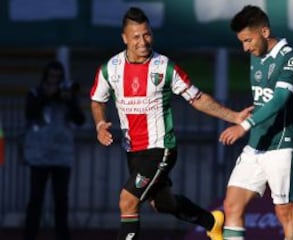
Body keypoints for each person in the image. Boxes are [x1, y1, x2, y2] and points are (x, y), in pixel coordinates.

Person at [90, 6, 253, 240]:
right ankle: (212, 222)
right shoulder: (110, 69)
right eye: (136, 36)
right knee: (163, 203)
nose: (143, 41)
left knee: (127, 201)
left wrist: (234, 117)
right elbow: (97, 101)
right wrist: (99, 124)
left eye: (147, 34)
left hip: (160, 148)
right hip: (132, 150)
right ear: (124, 38)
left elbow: (197, 98)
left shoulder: (164, 67)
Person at [218, 5, 293, 240]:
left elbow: (279, 99)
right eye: (242, 42)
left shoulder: (290, 57)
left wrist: (243, 126)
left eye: (248, 40)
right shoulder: (257, 56)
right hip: (256, 144)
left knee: (285, 214)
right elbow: (264, 98)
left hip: (282, 145)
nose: (245, 48)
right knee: (232, 206)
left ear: (265, 32)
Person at [23, 60, 85, 240]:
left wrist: (70, 101)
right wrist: (47, 96)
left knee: (61, 201)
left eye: (58, 78)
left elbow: (80, 119)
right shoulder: (35, 93)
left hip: (61, 156)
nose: (54, 82)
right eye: (51, 77)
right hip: (39, 155)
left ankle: (62, 236)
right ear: (45, 77)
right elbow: (30, 113)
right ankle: (29, 236)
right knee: (36, 200)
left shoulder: (66, 96)